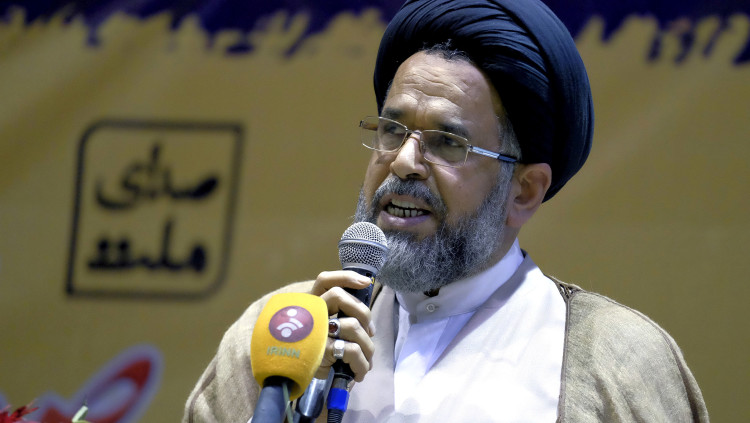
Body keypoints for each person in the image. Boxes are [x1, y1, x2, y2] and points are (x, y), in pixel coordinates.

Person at [183, 0, 709, 421]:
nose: (403, 161)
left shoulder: (616, 362)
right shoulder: (282, 332)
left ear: (524, 190)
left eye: (447, 142)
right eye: (392, 130)